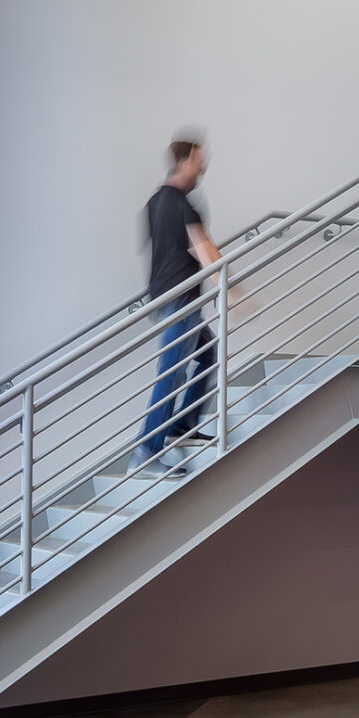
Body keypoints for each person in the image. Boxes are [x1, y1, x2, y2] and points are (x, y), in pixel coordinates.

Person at [133, 138, 225, 477]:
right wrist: (231, 289)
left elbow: (151, 251)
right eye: (199, 159)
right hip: (182, 297)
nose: (204, 166)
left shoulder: (156, 201)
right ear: (184, 161)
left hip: (164, 295)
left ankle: (183, 425)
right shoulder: (183, 204)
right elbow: (204, 248)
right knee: (171, 371)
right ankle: (147, 449)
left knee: (207, 353)